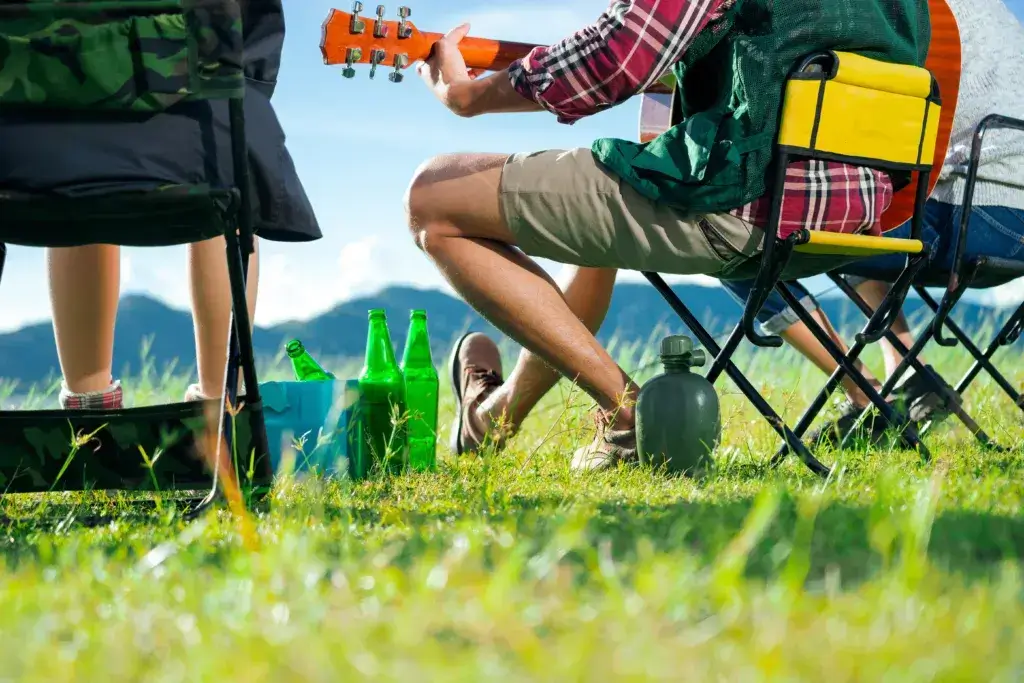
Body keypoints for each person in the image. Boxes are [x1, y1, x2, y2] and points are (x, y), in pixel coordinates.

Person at [405, 0, 930, 470]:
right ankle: (493, 419)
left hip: (745, 204)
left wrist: (466, 94)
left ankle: (632, 414)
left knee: (432, 198)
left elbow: (620, 53)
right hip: (854, 224)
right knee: (620, 177)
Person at [718, 0, 1024, 443]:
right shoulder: (993, 11)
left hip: (968, 220)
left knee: (742, 234)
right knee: (860, 211)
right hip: (1014, 225)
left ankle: (863, 393)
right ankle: (907, 374)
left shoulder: (909, 11)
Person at [0, 1, 320, 409]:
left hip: (25, 155)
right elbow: (249, 54)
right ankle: (215, 408)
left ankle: (90, 416)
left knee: (77, 147)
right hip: (196, 146)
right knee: (227, 157)